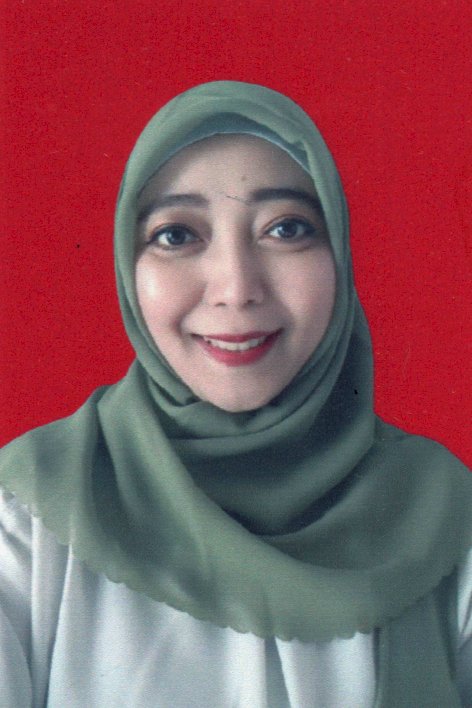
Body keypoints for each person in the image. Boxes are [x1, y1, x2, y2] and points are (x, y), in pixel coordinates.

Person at [0, 81, 471, 707]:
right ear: (127, 266)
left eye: (286, 229)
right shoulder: (28, 515)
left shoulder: (445, 520)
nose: (236, 288)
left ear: (339, 252)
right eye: (176, 235)